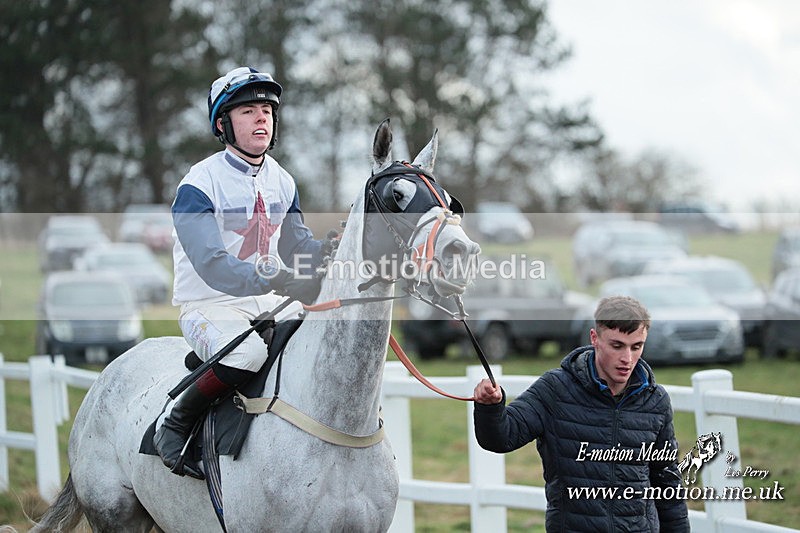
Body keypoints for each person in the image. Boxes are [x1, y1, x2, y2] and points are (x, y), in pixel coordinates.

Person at [154, 66, 325, 479]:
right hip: (209, 304)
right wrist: (277, 278)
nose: (261, 118)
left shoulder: (283, 180)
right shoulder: (198, 184)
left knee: (321, 339)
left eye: (267, 110)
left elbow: (298, 246)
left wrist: (337, 248)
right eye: (248, 111)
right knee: (247, 354)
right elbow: (212, 265)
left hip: (267, 301)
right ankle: (174, 422)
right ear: (222, 124)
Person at [473, 296, 689, 532]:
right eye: (617, 346)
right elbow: (501, 438)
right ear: (594, 338)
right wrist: (490, 407)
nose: (627, 359)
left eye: (636, 347)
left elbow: (667, 483)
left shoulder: (656, 400)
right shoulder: (555, 389)